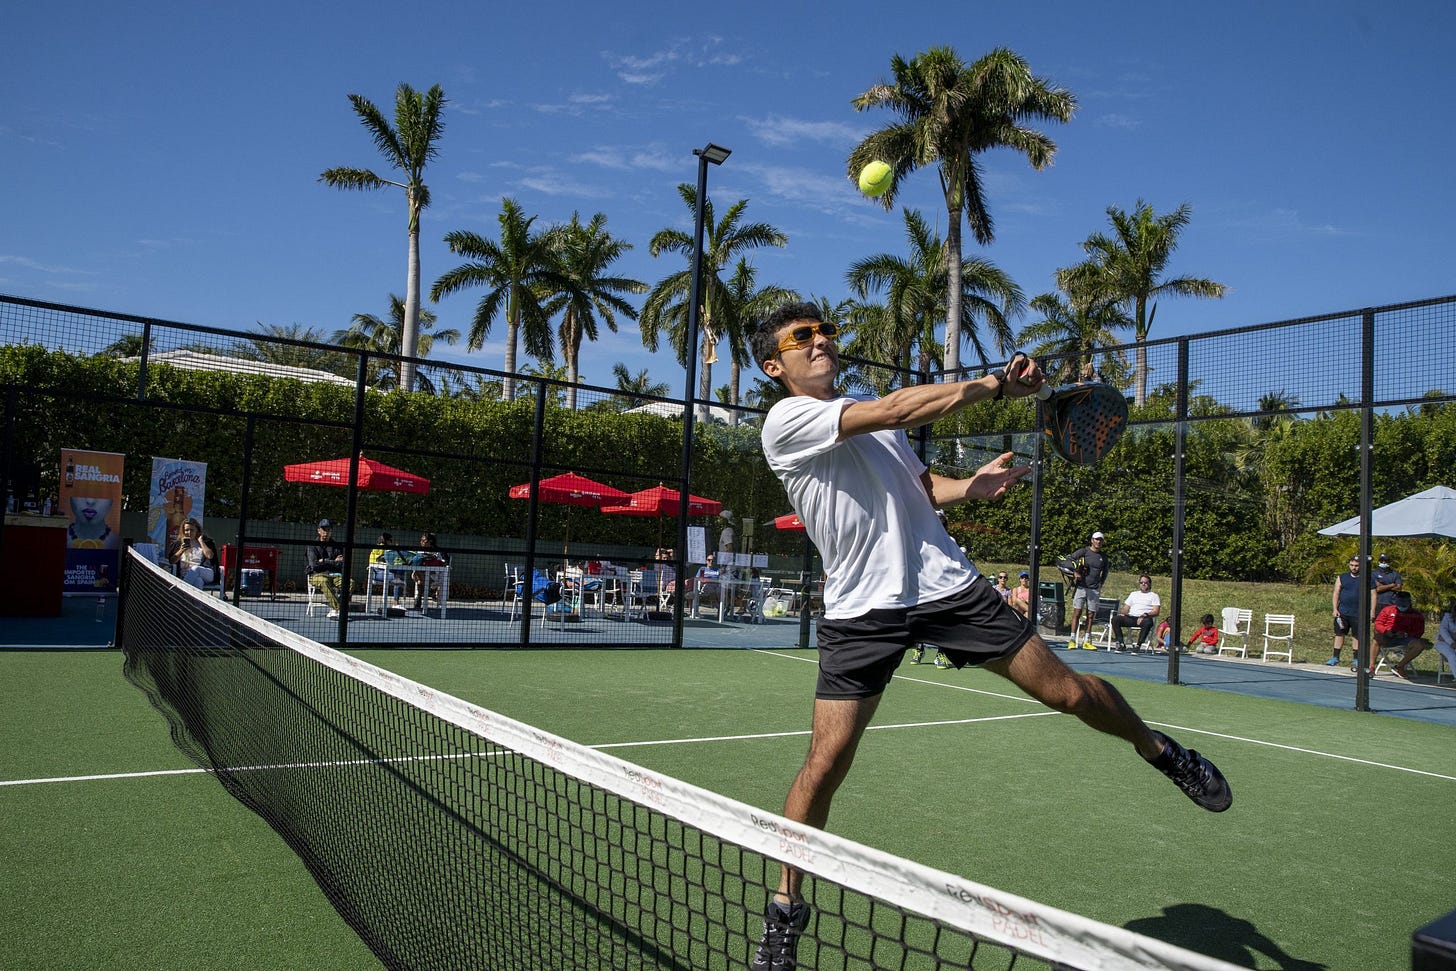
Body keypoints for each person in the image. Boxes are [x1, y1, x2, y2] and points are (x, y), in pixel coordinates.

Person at [748, 301, 1232, 971]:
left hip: (947, 586)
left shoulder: (870, 414)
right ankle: (784, 909)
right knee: (824, 763)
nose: (821, 341)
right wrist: (995, 386)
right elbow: (894, 410)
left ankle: (1162, 751)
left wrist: (970, 486)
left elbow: (919, 487)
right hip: (862, 609)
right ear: (775, 364)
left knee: (1068, 693)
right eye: (803, 337)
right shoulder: (787, 420)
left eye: (825, 331)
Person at [1066, 532, 1111, 651]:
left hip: (1094, 589)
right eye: (1096, 539)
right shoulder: (1084, 551)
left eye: (1100, 540)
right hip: (1081, 587)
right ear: (1092, 540)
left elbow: (1105, 572)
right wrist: (1074, 573)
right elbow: (1069, 560)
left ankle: (1087, 640)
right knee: (1077, 613)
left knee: (1090, 615)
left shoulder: (1103, 557)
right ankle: (1072, 639)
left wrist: (1101, 583)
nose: (1098, 542)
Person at [1372, 591, 1428, 680]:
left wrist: (1406, 634)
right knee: (1376, 639)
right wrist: (1386, 631)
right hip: (1388, 636)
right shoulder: (1387, 610)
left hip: (1406, 639)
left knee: (1419, 645)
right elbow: (1378, 623)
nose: (1402, 606)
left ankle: (1400, 666)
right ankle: (1371, 667)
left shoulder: (1417, 615)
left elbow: (1419, 631)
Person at [1328, 555, 1373, 666]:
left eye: (1356, 566)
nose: (1354, 568)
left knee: (1356, 636)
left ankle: (1356, 658)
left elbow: (1373, 595)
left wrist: (1372, 611)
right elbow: (1336, 592)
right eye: (1352, 565)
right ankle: (1335, 657)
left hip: (1358, 613)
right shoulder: (1342, 577)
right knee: (1339, 634)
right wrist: (1335, 609)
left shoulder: (1367, 578)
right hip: (1343, 611)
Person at [1111, 575, 1162, 653]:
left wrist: (1145, 615)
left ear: (1150, 584)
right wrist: (1123, 613)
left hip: (1144, 618)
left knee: (1148, 622)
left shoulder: (1154, 596)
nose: (1143, 584)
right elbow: (1125, 608)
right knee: (1115, 619)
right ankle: (1121, 643)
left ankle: (1138, 645)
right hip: (1131, 617)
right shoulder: (1133, 594)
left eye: (1145, 582)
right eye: (1141, 582)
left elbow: (1156, 611)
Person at [307, 519, 346, 619]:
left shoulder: (336, 546)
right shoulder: (312, 546)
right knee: (324, 581)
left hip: (334, 575)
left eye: (328, 530)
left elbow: (341, 564)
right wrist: (333, 561)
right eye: (324, 529)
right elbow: (314, 566)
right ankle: (338, 608)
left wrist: (323, 561)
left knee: (349, 583)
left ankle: (334, 607)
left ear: (331, 531)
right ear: (319, 530)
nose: (326, 532)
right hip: (316, 575)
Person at [168, 516, 216, 589]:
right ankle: (194, 600)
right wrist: (181, 550)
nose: (189, 532)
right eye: (187, 530)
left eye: (192, 530)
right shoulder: (178, 544)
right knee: (198, 581)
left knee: (196, 569)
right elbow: (172, 561)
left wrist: (201, 541)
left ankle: (181, 589)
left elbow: (210, 556)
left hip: (206, 572)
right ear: (183, 531)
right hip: (187, 575)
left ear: (197, 530)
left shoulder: (207, 542)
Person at [410, 532, 449, 611]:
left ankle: (419, 599)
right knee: (417, 571)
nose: (421, 542)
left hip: (435, 574)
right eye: (421, 540)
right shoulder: (420, 551)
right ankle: (430, 590)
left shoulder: (438, 552)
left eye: (423, 541)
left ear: (430, 541)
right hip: (421, 574)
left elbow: (443, 563)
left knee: (420, 580)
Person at [369, 531, 408, 606]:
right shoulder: (382, 548)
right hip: (376, 574)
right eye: (390, 541)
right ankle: (396, 602)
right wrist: (394, 549)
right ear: (386, 541)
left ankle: (396, 601)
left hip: (384, 572)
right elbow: (381, 560)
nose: (391, 542)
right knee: (398, 576)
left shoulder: (385, 549)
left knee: (399, 572)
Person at [1434, 598, 1456, 680]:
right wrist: (1451, 641)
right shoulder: (1447, 617)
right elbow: (1443, 630)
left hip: (1448, 640)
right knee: (1452, 655)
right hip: (1444, 643)